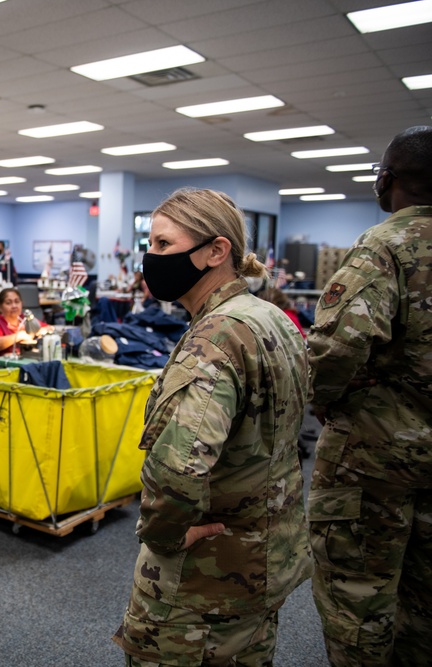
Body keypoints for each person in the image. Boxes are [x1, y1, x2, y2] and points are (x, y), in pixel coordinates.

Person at [112, 188, 312, 665]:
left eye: (163, 244)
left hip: (206, 579)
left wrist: (164, 536)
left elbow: (178, 466)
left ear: (216, 251)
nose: (151, 257)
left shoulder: (217, 336)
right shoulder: (272, 318)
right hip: (267, 557)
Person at [307, 125, 432, 667]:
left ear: (389, 180)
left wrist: (326, 400)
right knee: (426, 600)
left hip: (374, 460)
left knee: (358, 596)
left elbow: (336, 348)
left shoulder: (385, 246)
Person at [0, 287, 38, 361]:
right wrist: (19, 336)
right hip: (4, 367)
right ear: (0, 307)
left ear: (22, 303)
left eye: (17, 302)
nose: (14, 306)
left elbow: (43, 327)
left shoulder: (25, 319)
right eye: (8, 303)